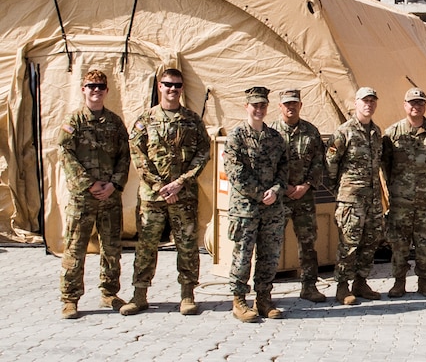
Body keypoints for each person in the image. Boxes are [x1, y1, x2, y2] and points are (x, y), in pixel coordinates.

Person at [120, 68, 211, 316]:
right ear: (159, 86)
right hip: (153, 196)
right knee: (146, 246)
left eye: (178, 85)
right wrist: (161, 186)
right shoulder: (145, 120)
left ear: (182, 89)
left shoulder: (192, 120)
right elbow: (138, 157)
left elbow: (203, 154)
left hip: (184, 195)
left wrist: (181, 182)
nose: (173, 89)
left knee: (187, 246)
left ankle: (187, 295)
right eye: (168, 84)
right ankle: (139, 295)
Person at [58, 69, 130, 319]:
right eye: (91, 86)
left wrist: (114, 184)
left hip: (109, 197)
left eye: (100, 86)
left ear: (107, 91)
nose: (96, 90)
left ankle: (109, 293)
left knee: (111, 248)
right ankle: (70, 298)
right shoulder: (74, 122)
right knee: (75, 248)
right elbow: (66, 155)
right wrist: (89, 184)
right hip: (83, 197)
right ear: (83, 89)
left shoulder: (115, 122)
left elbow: (124, 157)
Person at [224, 86, 289, 322]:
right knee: (242, 255)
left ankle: (263, 298)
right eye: (255, 106)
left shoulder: (274, 138)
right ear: (247, 107)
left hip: (272, 208)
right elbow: (235, 173)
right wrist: (260, 193)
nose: (259, 109)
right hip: (246, 209)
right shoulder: (236, 137)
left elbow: (284, 169)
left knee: (269, 255)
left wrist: (276, 190)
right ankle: (239, 300)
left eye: (263, 105)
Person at [382, 88, 426, 298]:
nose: (416, 106)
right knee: (399, 244)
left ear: (425, 106)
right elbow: (386, 165)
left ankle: (425, 281)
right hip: (401, 201)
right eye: (412, 103)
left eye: (420, 103)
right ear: (404, 105)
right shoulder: (392, 134)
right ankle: (399, 282)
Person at [325, 86, 385, 305]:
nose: (368, 105)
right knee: (349, 242)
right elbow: (330, 164)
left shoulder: (376, 132)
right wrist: (342, 190)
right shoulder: (344, 132)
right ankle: (342, 286)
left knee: (371, 241)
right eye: (364, 101)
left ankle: (361, 282)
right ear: (356, 104)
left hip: (373, 198)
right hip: (351, 199)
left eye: (372, 101)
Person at [270, 89, 327, 303]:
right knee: (271, 243)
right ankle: (264, 290)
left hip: (304, 197)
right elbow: (267, 166)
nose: (290, 107)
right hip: (279, 197)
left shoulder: (311, 132)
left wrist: (306, 185)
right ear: (280, 106)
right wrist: (283, 187)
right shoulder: (271, 132)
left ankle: (309, 286)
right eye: (286, 104)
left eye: (294, 103)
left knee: (308, 243)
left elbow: (319, 162)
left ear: (300, 105)